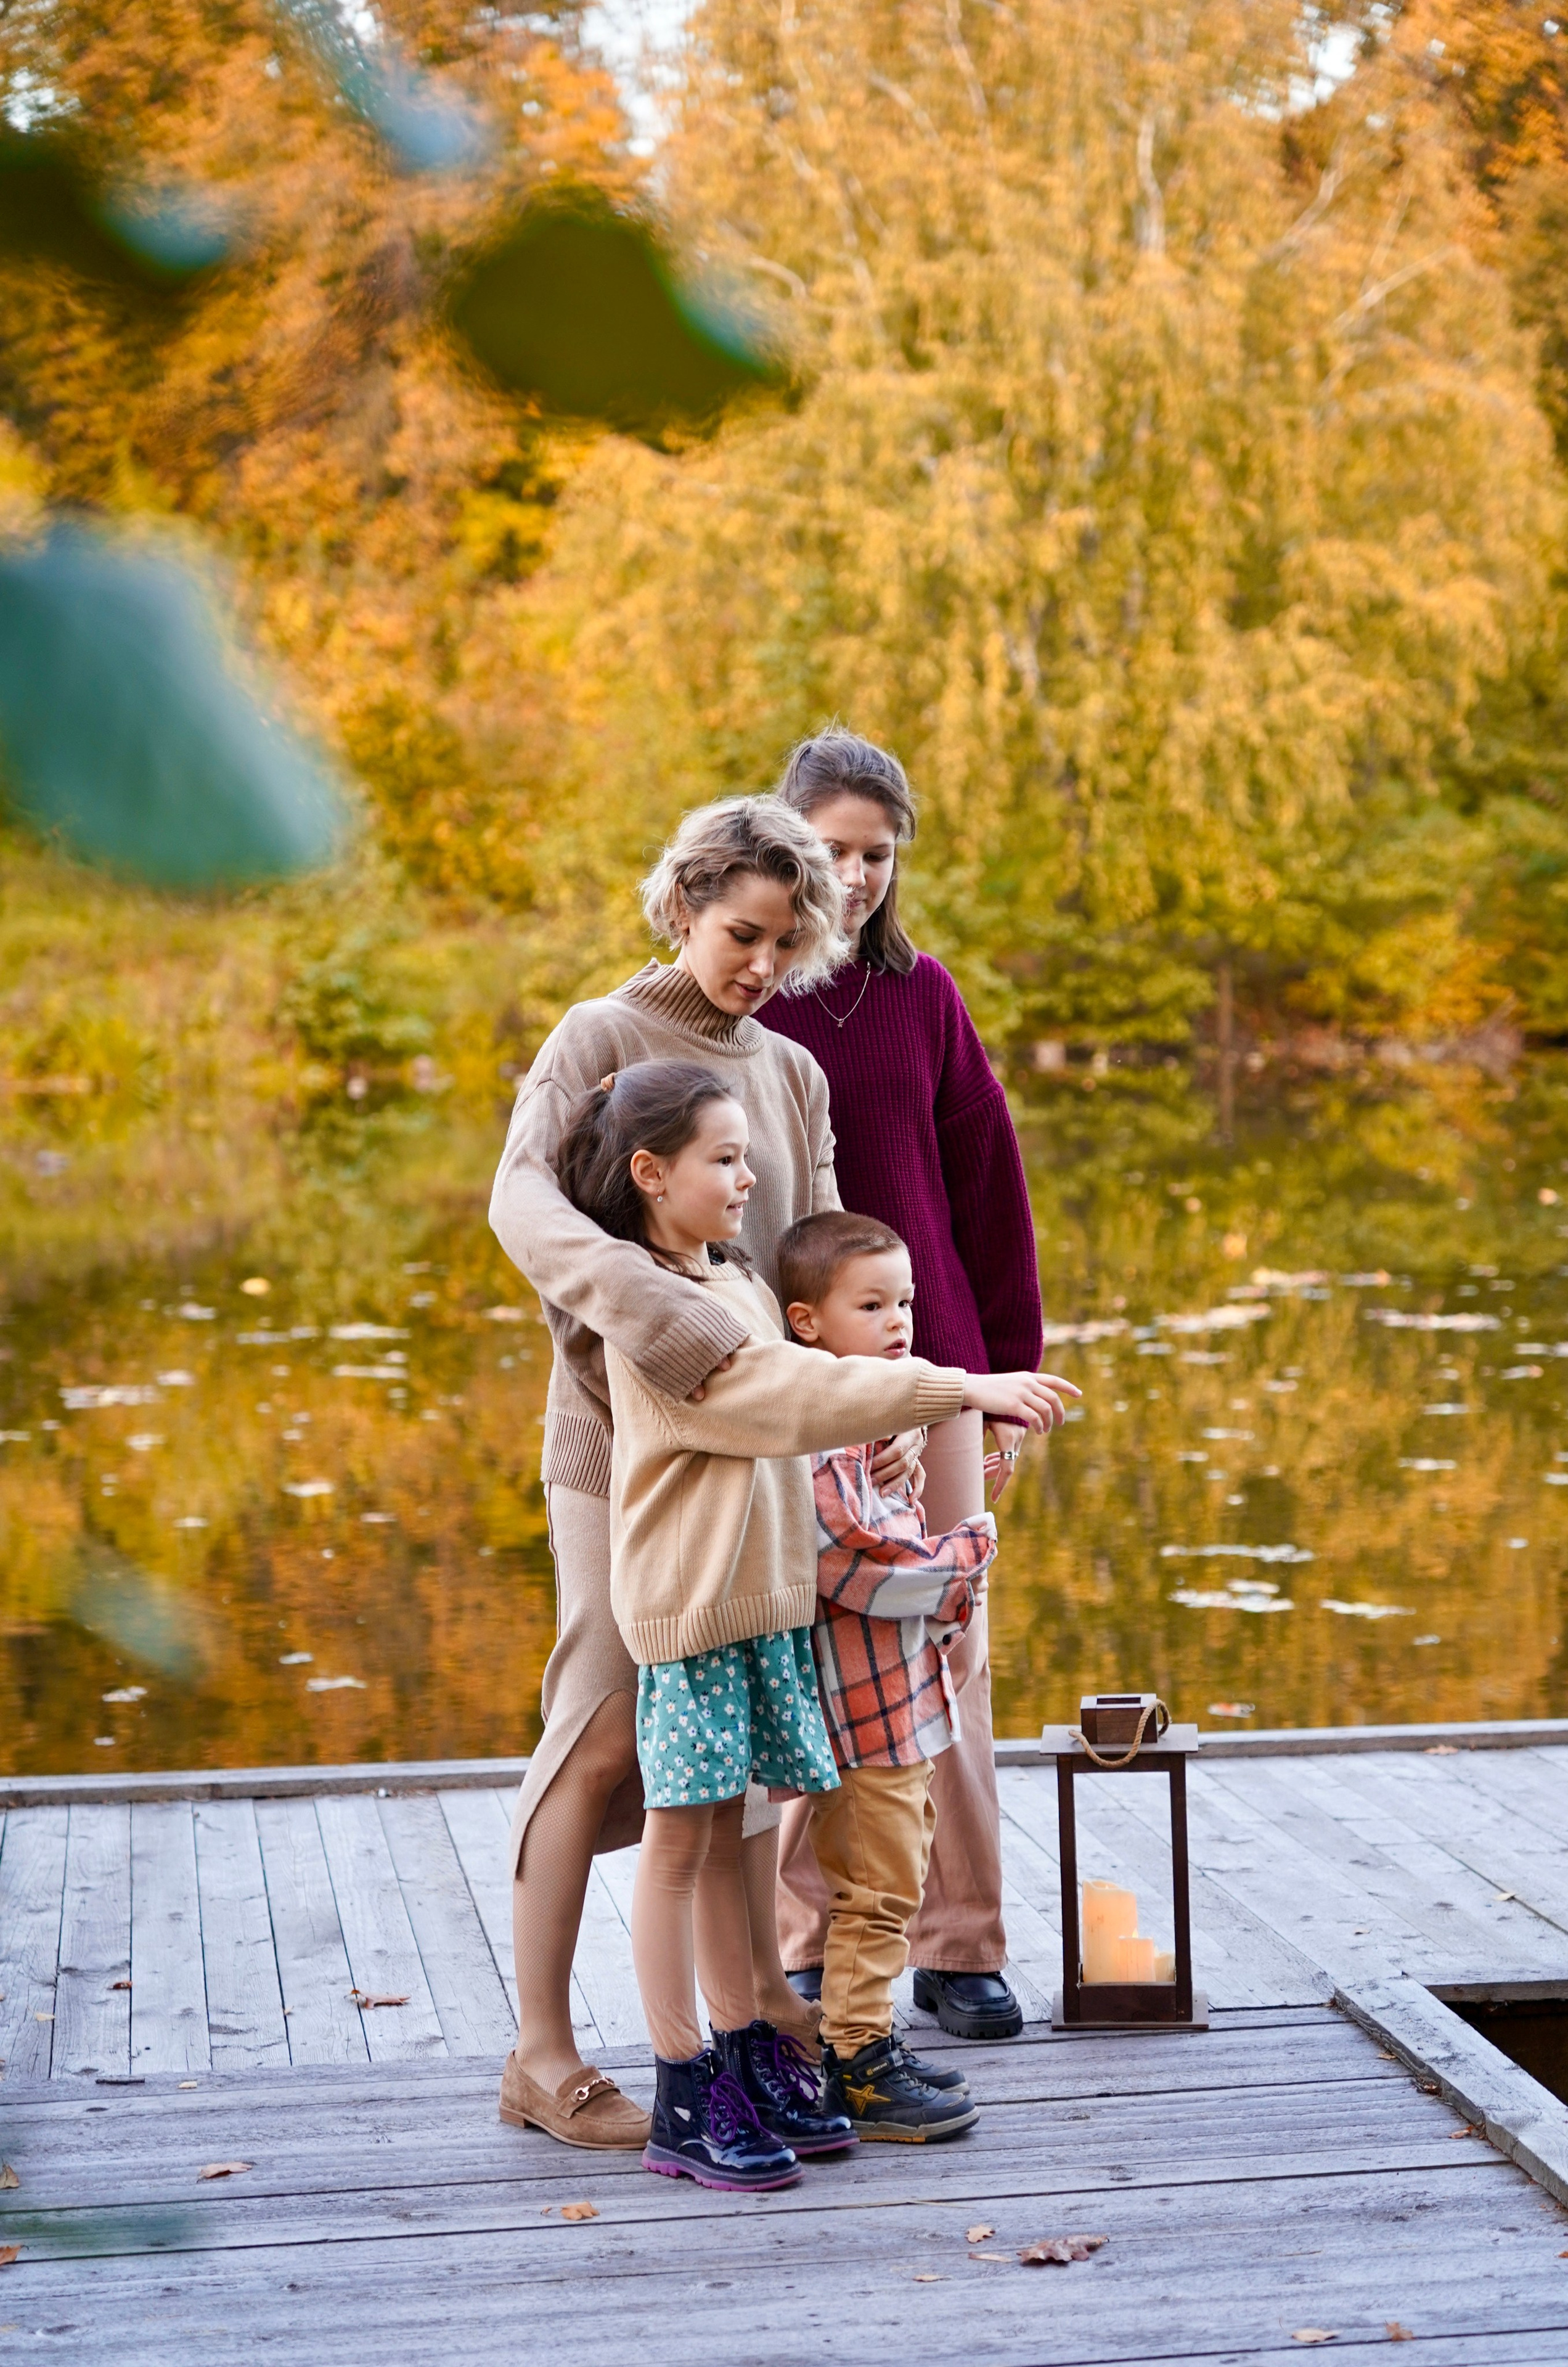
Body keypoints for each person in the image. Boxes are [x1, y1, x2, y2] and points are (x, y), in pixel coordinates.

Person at [489, 795, 926, 2150]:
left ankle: (747, 2023)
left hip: (754, 1459)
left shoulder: (785, 1074)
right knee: (603, 1719)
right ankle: (544, 2054)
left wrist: (877, 1389)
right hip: (615, 1451)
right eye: (740, 933)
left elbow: (809, 1262)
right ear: (681, 905)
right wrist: (662, 1320)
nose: (756, 965)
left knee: (736, 1735)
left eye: (784, 946)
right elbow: (521, 1203)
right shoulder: (599, 1039)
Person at [552, 1059, 1069, 2189]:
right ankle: (685, 2087)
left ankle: (746, 2045)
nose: (750, 1177)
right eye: (725, 1160)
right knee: (680, 1848)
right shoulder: (660, 1304)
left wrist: (877, 1436)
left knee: (742, 1838)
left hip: (773, 1611)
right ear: (651, 1174)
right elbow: (776, 1397)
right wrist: (954, 1389)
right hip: (693, 1619)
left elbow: (810, 1403)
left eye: (747, 1155)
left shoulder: (729, 1274)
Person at [762, 726, 1045, 2041]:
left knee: (944, 1645)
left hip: (928, 1373)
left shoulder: (922, 994)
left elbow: (988, 1192)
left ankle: (959, 1941)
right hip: (781, 1381)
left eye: (878, 853)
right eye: (833, 850)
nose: (859, 874)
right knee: (803, 1646)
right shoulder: (737, 1000)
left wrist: (1002, 1381)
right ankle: (811, 1934)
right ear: (780, 846)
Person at [780, 1209, 1038, 2138]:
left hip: (901, 1707)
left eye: (908, 1304)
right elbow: (864, 1566)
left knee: (889, 1875)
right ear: (807, 1323)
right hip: (869, 1715)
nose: (901, 1323)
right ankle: (858, 2063)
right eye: (874, 1305)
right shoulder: (820, 1435)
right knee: (881, 1887)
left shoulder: (874, 1421)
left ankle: (866, 2041)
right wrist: (970, 1549)